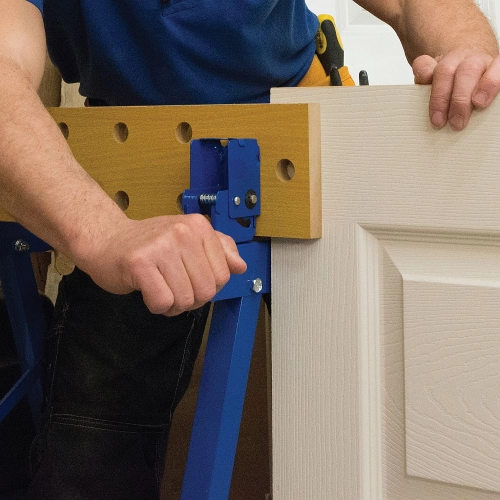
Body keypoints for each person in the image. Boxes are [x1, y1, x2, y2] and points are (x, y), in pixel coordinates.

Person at [0, 0, 498, 498]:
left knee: (385, 414)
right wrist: (104, 233)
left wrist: (466, 54)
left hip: (299, 132)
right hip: (136, 156)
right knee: (90, 456)